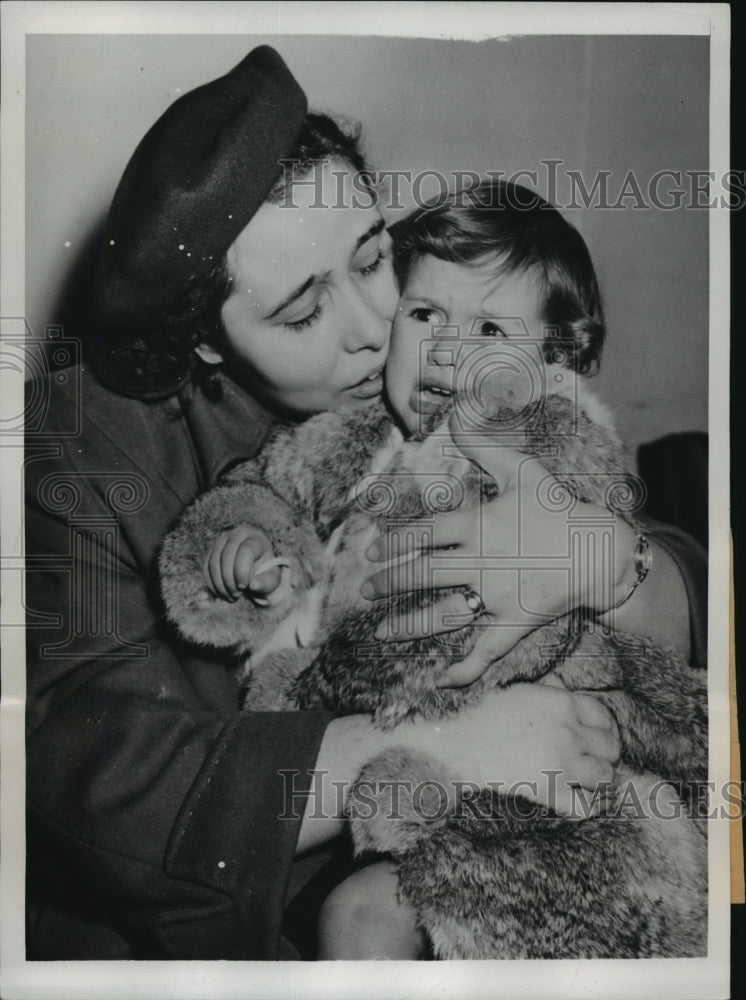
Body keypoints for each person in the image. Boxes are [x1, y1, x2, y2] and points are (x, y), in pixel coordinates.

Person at [24, 47, 703, 961]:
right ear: (207, 345)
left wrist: (604, 561)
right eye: (302, 314)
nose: (376, 327)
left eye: (374, 256)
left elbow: (666, 554)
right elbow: (83, 774)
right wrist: (450, 746)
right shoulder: (82, 436)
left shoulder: (437, 326)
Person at [172, 177, 707, 958]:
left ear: (554, 364)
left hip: (564, 764)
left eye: (490, 328)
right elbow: (270, 498)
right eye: (425, 315)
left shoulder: (548, 442)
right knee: (357, 919)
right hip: (410, 769)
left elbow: (640, 548)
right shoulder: (350, 439)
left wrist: (600, 553)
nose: (447, 348)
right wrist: (244, 550)